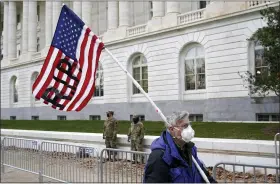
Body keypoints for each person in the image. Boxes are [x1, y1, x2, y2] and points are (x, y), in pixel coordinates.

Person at [143, 111, 217, 183]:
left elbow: (202, 174)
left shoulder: (190, 149)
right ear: (171, 129)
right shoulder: (160, 157)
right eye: (185, 126)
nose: (189, 129)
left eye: (189, 125)